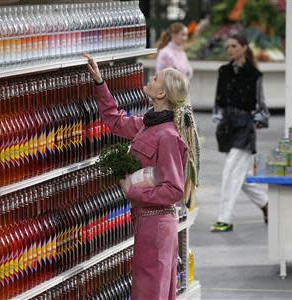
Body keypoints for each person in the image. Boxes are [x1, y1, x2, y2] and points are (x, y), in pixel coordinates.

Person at [84, 53, 199, 300]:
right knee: (152, 291)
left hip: (157, 225)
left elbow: (174, 190)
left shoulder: (167, 136)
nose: (151, 77)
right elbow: (115, 121)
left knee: (149, 293)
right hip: (147, 222)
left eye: (156, 78)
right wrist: (99, 83)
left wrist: (131, 189)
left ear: (161, 95)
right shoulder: (149, 125)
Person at [211, 33, 270, 233]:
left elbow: (261, 106)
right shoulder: (223, 71)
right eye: (228, 46)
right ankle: (267, 204)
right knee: (239, 176)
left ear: (244, 48)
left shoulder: (255, 75)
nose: (230, 50)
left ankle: (224, 219)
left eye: (234, 46)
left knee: (230, 172)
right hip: (228, 127)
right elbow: (218, 101)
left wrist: (255, 122)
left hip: (245, 128)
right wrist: (219, 121)